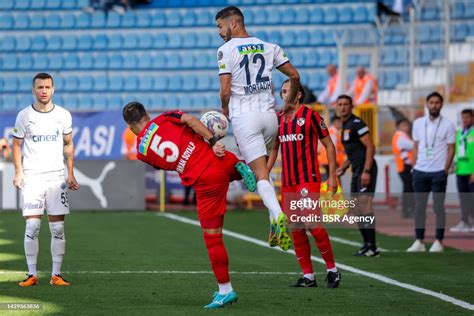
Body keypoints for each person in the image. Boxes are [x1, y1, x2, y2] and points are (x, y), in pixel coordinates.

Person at [122, 102, 257, 309]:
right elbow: (191, 120)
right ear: (147, 115)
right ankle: (237, 167)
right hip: (217, 157)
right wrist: (212, 140)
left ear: (130, 127)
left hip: (204, 180)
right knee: (222, 167)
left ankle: (225, 290)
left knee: (213, 238)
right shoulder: (165, 117)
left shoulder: (141, 151)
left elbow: (163, 165)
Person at [215, 6, 300, 250]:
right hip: (270, 116)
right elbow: (294, 76)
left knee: (260, 174)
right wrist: (288, 103)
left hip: (245, 117)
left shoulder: (226, 50)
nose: (219, 32)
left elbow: (225, 89)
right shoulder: (270, 46)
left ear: (233, 23)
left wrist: (224, 108)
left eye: (220, 26)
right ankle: (273, 218)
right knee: (264, 168)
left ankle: (277, 213)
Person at [268, 80, 341, 288]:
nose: (284, 95)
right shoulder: (278, 119)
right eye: (282, 92)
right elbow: (274, 149)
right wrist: (264, 173)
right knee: (296, 228)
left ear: (298, 95)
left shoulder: (311, 116)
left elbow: (328, 144)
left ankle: (332, 270)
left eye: (287, 91)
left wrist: (333, 176)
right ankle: (308, 276)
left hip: (307, 180)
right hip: (288, 182)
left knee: (313, 224)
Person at [12, 73, 80, 287]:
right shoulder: (24, 116)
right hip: (32, 176)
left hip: (55, 177)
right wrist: (18, 171)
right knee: (32, 226)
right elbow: (16, 145)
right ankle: (31, 275)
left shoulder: (63, 115)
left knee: (58, 228)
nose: (43, 90)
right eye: (40, 87)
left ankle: (56, 275)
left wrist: (70, 173)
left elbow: (68, 145)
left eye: (47, 87)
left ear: (53, 89)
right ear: (33, 90)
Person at [407, 92, 456, 252]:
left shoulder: (448, 125)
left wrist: (445, 169)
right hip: (420, 171)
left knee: (438, 207)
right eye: (431, 102)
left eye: (437, 103)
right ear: (427, 104)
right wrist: (414, 166)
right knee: (419, 207)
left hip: (438, 172)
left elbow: (451, 149)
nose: (434, 105)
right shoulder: (418, 123)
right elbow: (415, 145)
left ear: (441, 105)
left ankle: (438, 241)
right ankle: (419, 240)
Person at [336, 95, 379, 257]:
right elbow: (353, 154)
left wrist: (367, 171)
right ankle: (366, 244)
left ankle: (372, 247)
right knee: (355, 208)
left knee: (365, 205)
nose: (343, 107)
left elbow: (370, 147)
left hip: (365, 169)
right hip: (356, 168)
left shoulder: (357, 123)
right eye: (340, 104)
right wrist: (342, 168)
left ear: (351, 106)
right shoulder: (345, 126)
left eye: (346, 104)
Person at [450, 108, 474, 232]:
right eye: (463, 118)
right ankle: (465, 221)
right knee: (464, 198)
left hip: (471, 171)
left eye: (467, 117)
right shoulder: (459, 133)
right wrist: (453, 164)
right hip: (461, 171)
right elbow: (457, 151)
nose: (465, 120)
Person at [392, 119, 415, 218]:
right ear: (399, 127)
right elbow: (414, 145)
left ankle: (407, 210)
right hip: (405, 166)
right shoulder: (400, 136)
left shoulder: (402, 136)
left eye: (407, 125)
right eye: (404, 125)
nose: (406, 127)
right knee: (409, 189)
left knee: (408, 189)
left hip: (404, 166)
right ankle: (409, 210)